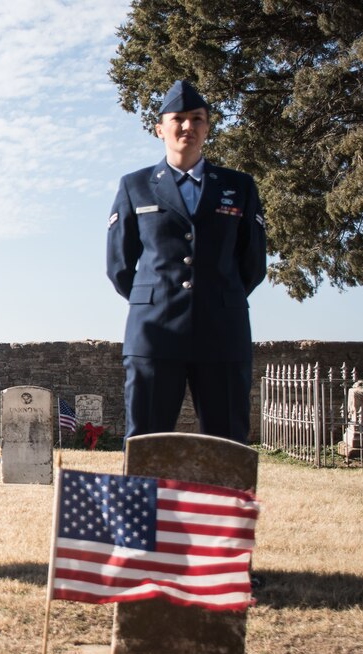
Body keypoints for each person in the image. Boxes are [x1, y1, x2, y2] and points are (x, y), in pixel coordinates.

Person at [106, 80, 266, 444]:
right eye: (178, 118)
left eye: (197, 119)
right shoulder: (136, 186)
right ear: (160, 128)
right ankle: (148, 505)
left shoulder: (239, 187)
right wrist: (158, 299)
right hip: (154, 333)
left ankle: (221, 504)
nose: (187, 127)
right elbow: (119, 265)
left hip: (223, 330)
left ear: (207, 127)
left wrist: (217, 295)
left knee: (226, 446)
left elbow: (252, 263)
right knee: (147, 443)